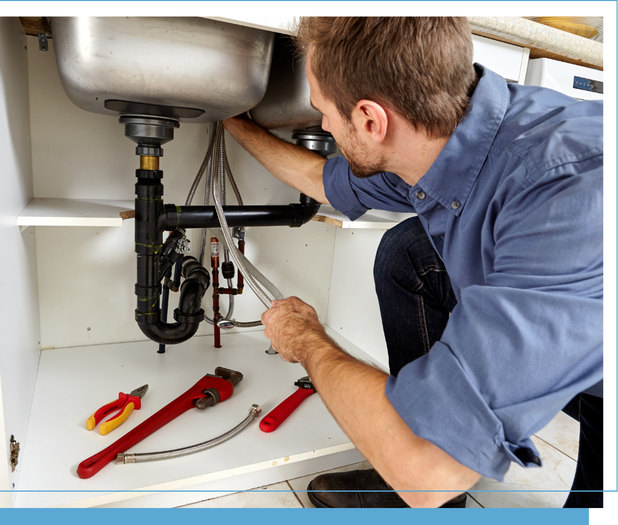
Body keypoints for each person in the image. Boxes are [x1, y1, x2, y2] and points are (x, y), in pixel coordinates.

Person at [223, 17, 603, 508]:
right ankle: (420, 436)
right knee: (410, 252)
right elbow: (321, 181)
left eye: (323, 112)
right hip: (585, 334)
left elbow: (430, 469)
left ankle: (419, 445)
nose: (321, 126)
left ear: (370, 120)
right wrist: (232, 122)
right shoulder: (446, 133)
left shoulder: (571, 186)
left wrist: (308, 342)